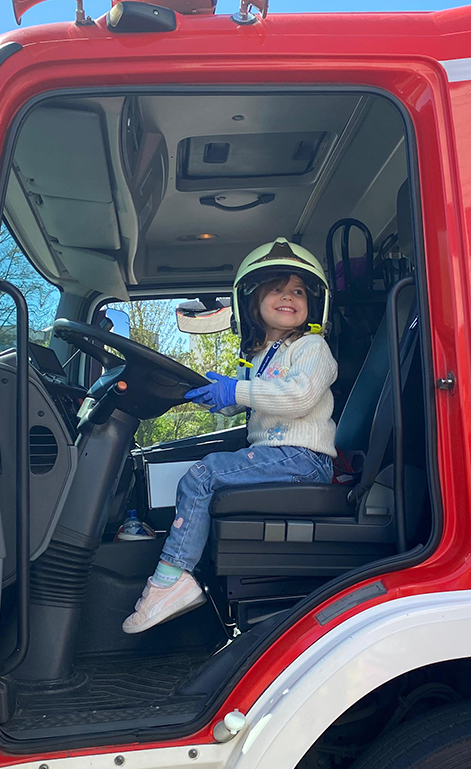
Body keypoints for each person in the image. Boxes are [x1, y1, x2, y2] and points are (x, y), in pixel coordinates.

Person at [122, 238, 338, 633]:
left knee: (202, 476)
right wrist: (212, 395)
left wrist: (234, 391)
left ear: (313, 305)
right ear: (252, 302)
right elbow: (249, 400)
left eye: (298, 291)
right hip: (281, 455)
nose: (288, 297)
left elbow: (298, 396)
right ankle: (179, 577)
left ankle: (171, 579)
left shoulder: (312, 347)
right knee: (206, 477)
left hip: (303, 458)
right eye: (277, 288)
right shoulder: (261, 356)